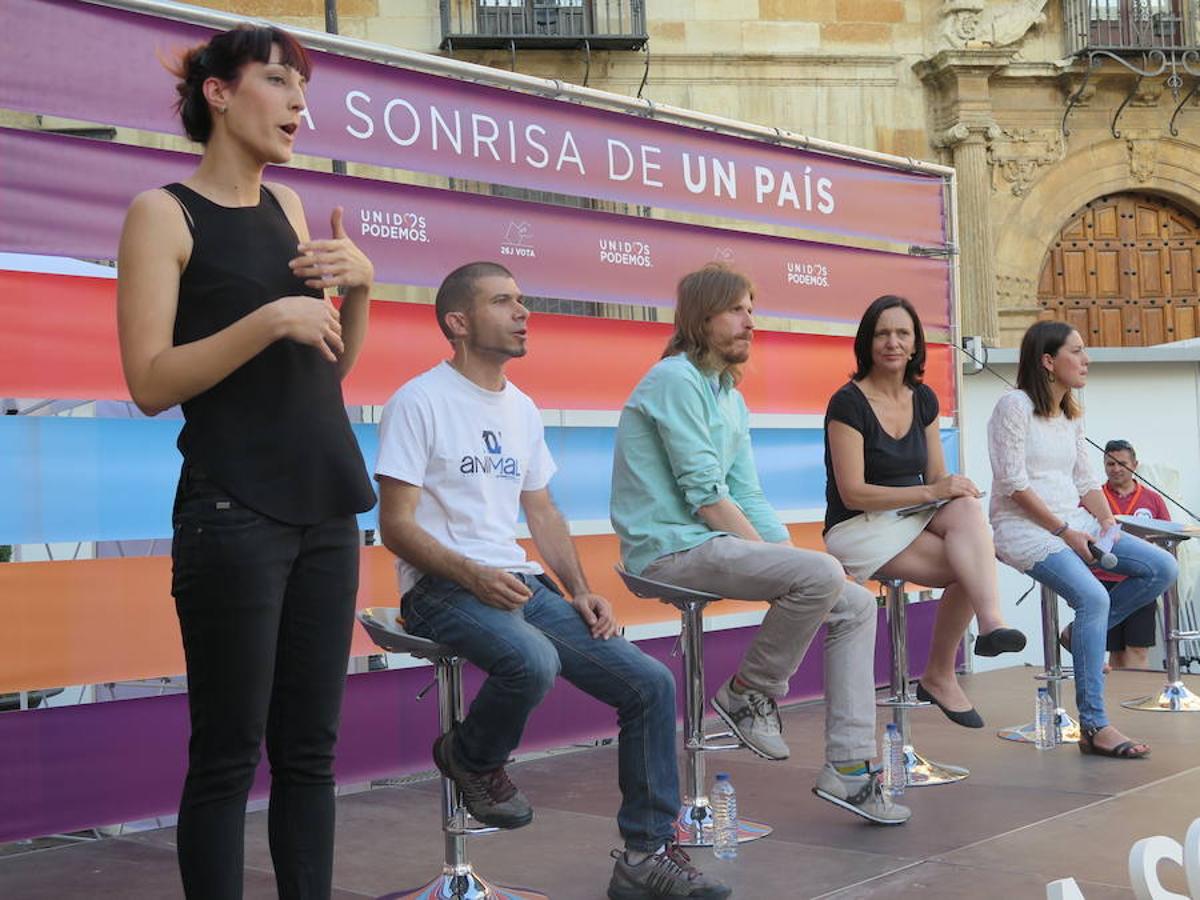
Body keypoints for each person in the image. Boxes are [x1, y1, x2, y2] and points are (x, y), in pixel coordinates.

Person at [116, 26, 377, 899]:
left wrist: (362, 289)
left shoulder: (293, 210)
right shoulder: (164, 213)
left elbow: (327, 373)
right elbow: (150, 382)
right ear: (219, 94)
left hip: (326, 506)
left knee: (310, 754)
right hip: (232, 510)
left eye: (302, 86)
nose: (300, 102)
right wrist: (270, 317)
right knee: (227, 755)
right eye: (278, 80)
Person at [375, 262, 730, 900]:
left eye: (522, 299)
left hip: (519, 582)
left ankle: (646, 857)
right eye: (503, 301)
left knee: (649, 683)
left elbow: (541, 510)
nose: (523, 311)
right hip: (439, 588)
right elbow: (395, 527)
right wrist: (470, 574)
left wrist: (579, 588)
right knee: (532, 660)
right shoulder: (418, 400)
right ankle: (472, 757)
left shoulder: (522, 407)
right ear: (458, 323)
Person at [610, 263, 910, 826]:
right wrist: (793, 567)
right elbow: (706, 496)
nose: (751, 322)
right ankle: (749, 692)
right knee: (819, 575)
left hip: (712, 543)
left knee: (853, 600)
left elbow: (747, 493)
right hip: (667, 549)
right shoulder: (675, 379)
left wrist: (791, 561)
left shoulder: (728, 395)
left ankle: (848, 769)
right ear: (702, 318)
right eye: (737, 310)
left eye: (752, 309)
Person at [823, 295, 1025, 729]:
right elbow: (853, 492)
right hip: (859, 525)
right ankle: (939, 673)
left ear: (916, 344)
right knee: (970, 563)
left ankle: (987, 627)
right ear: (867, 342)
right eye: (882, 333)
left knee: (968, 512)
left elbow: (935, 476)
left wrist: (950, 489)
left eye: (902, 333)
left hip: (911, 514)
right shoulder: (848, 403)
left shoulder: (923, 399)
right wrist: (934, 490)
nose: (892, 342)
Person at [987, 321, 1176, 759]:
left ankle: (1079, 635)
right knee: (1094, 597)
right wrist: (1065, 532)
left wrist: (1109, 524)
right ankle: (1095, 724)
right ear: (1048, 362)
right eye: (1077, 351)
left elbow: (1084, 481)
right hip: (1025, 529)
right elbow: (1013, 484)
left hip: (1074, 521)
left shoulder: (1071, 414)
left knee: (1160, 567)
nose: (1086, 359)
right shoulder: (1013, 406)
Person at [1097, 439, 1171, 670]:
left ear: (1135, 464)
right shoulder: (1094, 497)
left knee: (1138, 647)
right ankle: (1119, 701)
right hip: (1105, 580)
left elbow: (1167, 536)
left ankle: (1138, 696)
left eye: (1122, 463)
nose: (1116, 469)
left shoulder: (1152, 499)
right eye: (1110, 464)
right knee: (1115, 651)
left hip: (1142, 582)